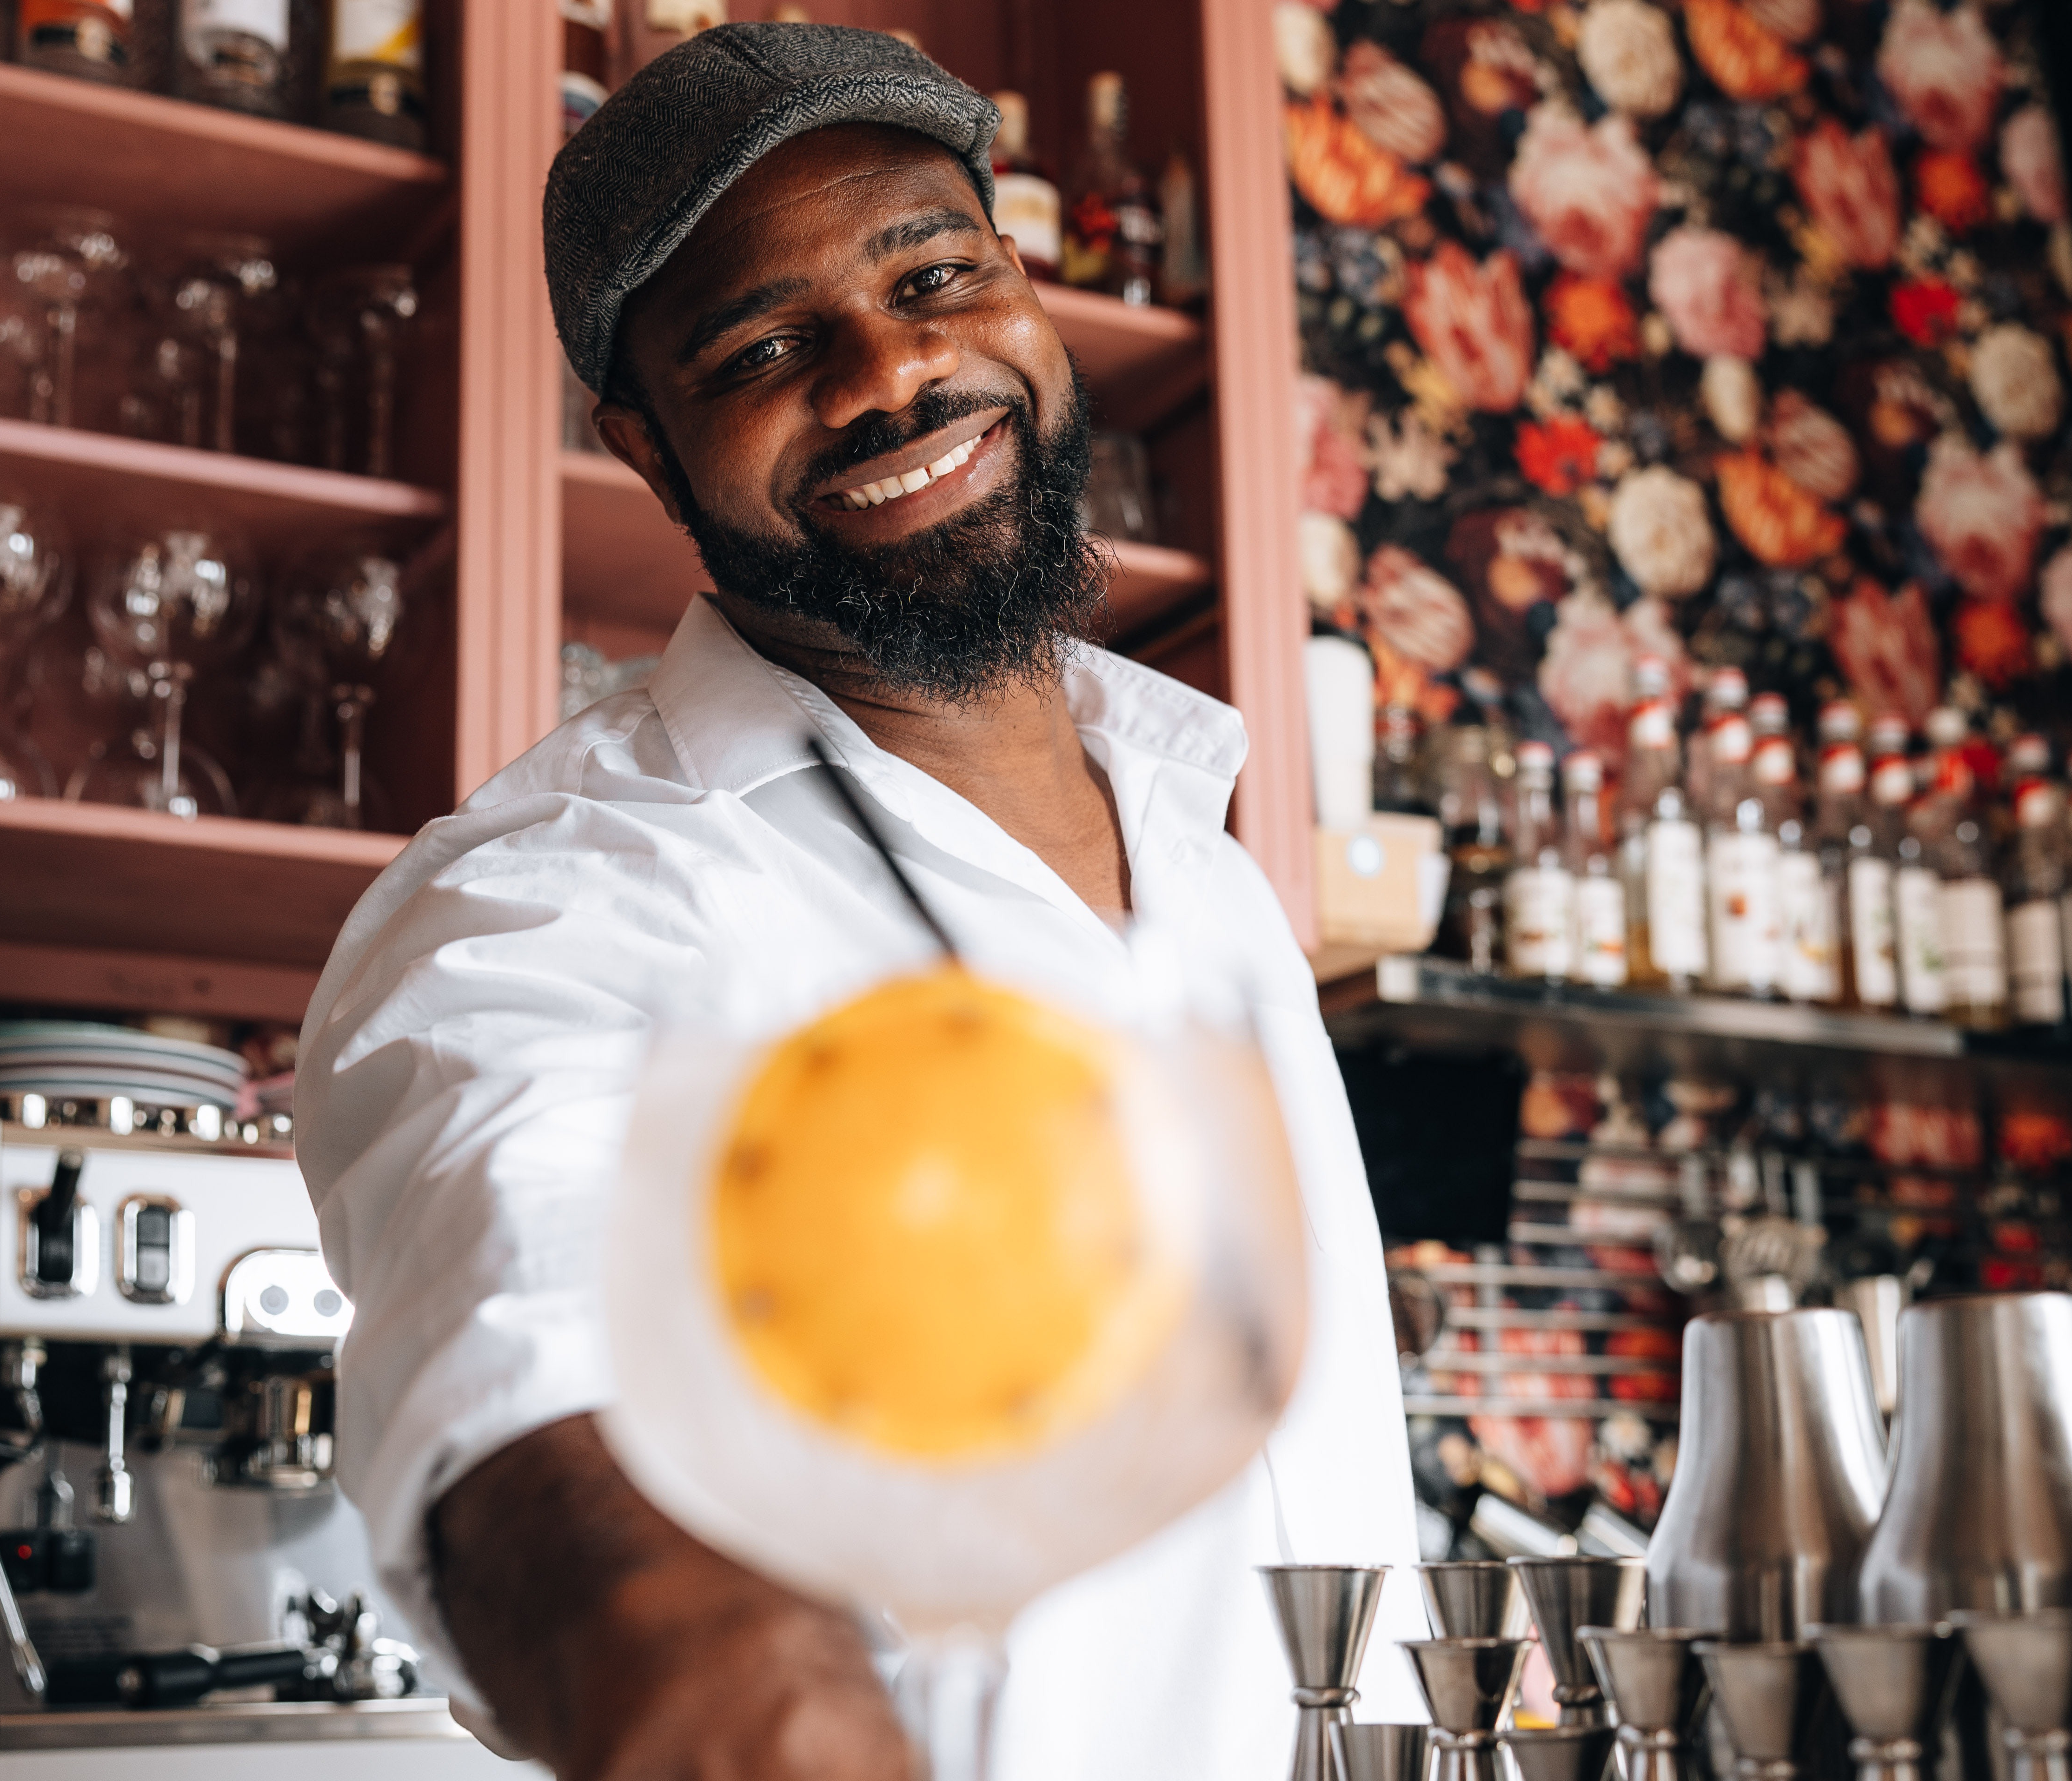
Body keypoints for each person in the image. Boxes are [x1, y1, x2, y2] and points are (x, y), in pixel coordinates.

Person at [296, 23, 1419, 1781]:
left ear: (1029, 294)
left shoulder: (1203, 849)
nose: (894, 372)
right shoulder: (555, 904)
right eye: (765, 346)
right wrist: (704, 1652)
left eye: (938, 273)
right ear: (652, 452)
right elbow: (528, 1356)